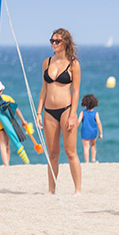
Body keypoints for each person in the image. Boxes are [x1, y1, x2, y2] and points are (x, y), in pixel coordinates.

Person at [36, 28, 82, 194]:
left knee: (71, 153)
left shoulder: (73, 64)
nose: (53, 44)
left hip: (66, 110)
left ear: (65, 43)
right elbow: (44, 89)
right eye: (52, 41)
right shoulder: (46, 62)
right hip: (49, 111)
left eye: (57, 41)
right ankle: (51, 190)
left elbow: (76, 91)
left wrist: (73, 114)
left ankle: (78, 190)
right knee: (52, 153)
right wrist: (39, 112)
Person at [0, 79, 28, 166]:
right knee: (7, 145)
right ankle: (7, 163)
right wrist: (23, 120)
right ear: (1, 90)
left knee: (2, 144)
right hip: (9, 124)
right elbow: (17, 110)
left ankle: (6, 164)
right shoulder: (7, 98)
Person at [78, 94, 103, 163]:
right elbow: (98, 123)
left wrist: (73, 129)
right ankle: (93, 159)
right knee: (93, 145)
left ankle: (86, 162)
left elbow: (78, 122)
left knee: (86, 147)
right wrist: (101, 133)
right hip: (93, 131)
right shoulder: (96, 113)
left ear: (84, 104)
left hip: (85, 131)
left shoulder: (82, 113)